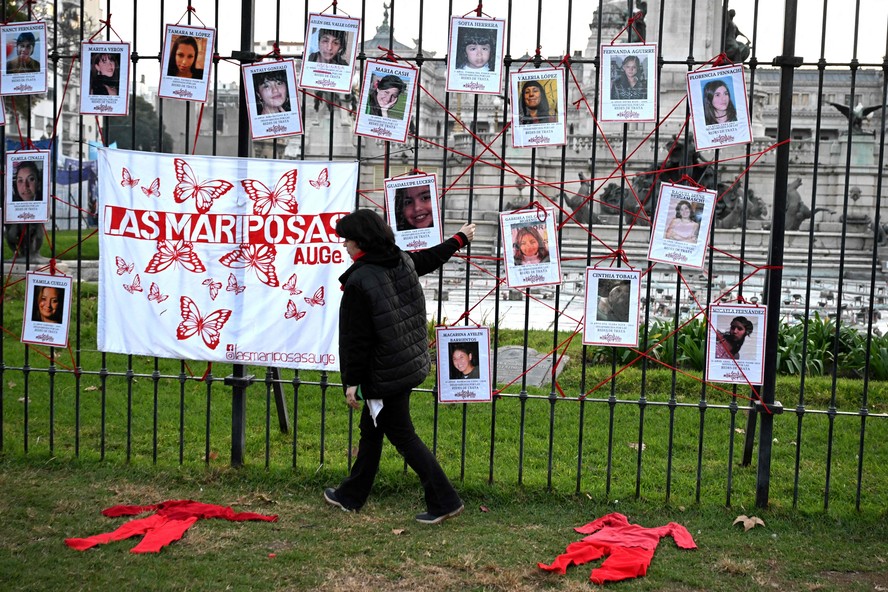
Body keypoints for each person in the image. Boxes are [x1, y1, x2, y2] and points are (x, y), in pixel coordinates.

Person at [323, 209, 475, 524]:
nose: (345, 247)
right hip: (406, 363)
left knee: (403, 435)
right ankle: (351, 495)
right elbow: (429, 259)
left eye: (347, 241)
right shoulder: (400, 260)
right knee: (371, 430)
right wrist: (458, 240)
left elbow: (356, 340)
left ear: (361, 242)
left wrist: (353, 383)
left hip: (386, 373)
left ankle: (445, 500)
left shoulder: (360, 280)